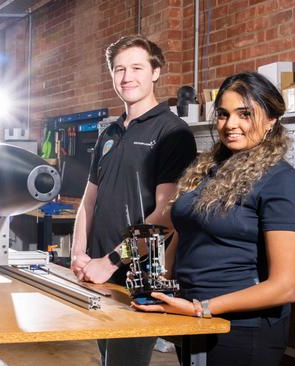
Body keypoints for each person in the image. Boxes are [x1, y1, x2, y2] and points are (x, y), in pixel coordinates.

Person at [133, 72, 295, 366]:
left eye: (245, 114)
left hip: (241, 330)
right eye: (223, 114)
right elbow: (186, 229)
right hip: (192, 316)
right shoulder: (208, 170)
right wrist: (161, 284)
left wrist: (201, 308)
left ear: (271, 119)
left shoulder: (282, 182)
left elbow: (285, 286)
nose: (231, 125)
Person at [70, 35, 197, 366]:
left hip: (138, 278)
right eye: (119, 69)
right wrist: (78, 253)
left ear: (155, 71)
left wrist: (109, 260)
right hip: (98, 275)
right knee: (106, 358)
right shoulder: (109, 133)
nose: (127, 77)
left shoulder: (173, 132)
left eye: (137, 67)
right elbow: (88, 202)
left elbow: (165, 216)